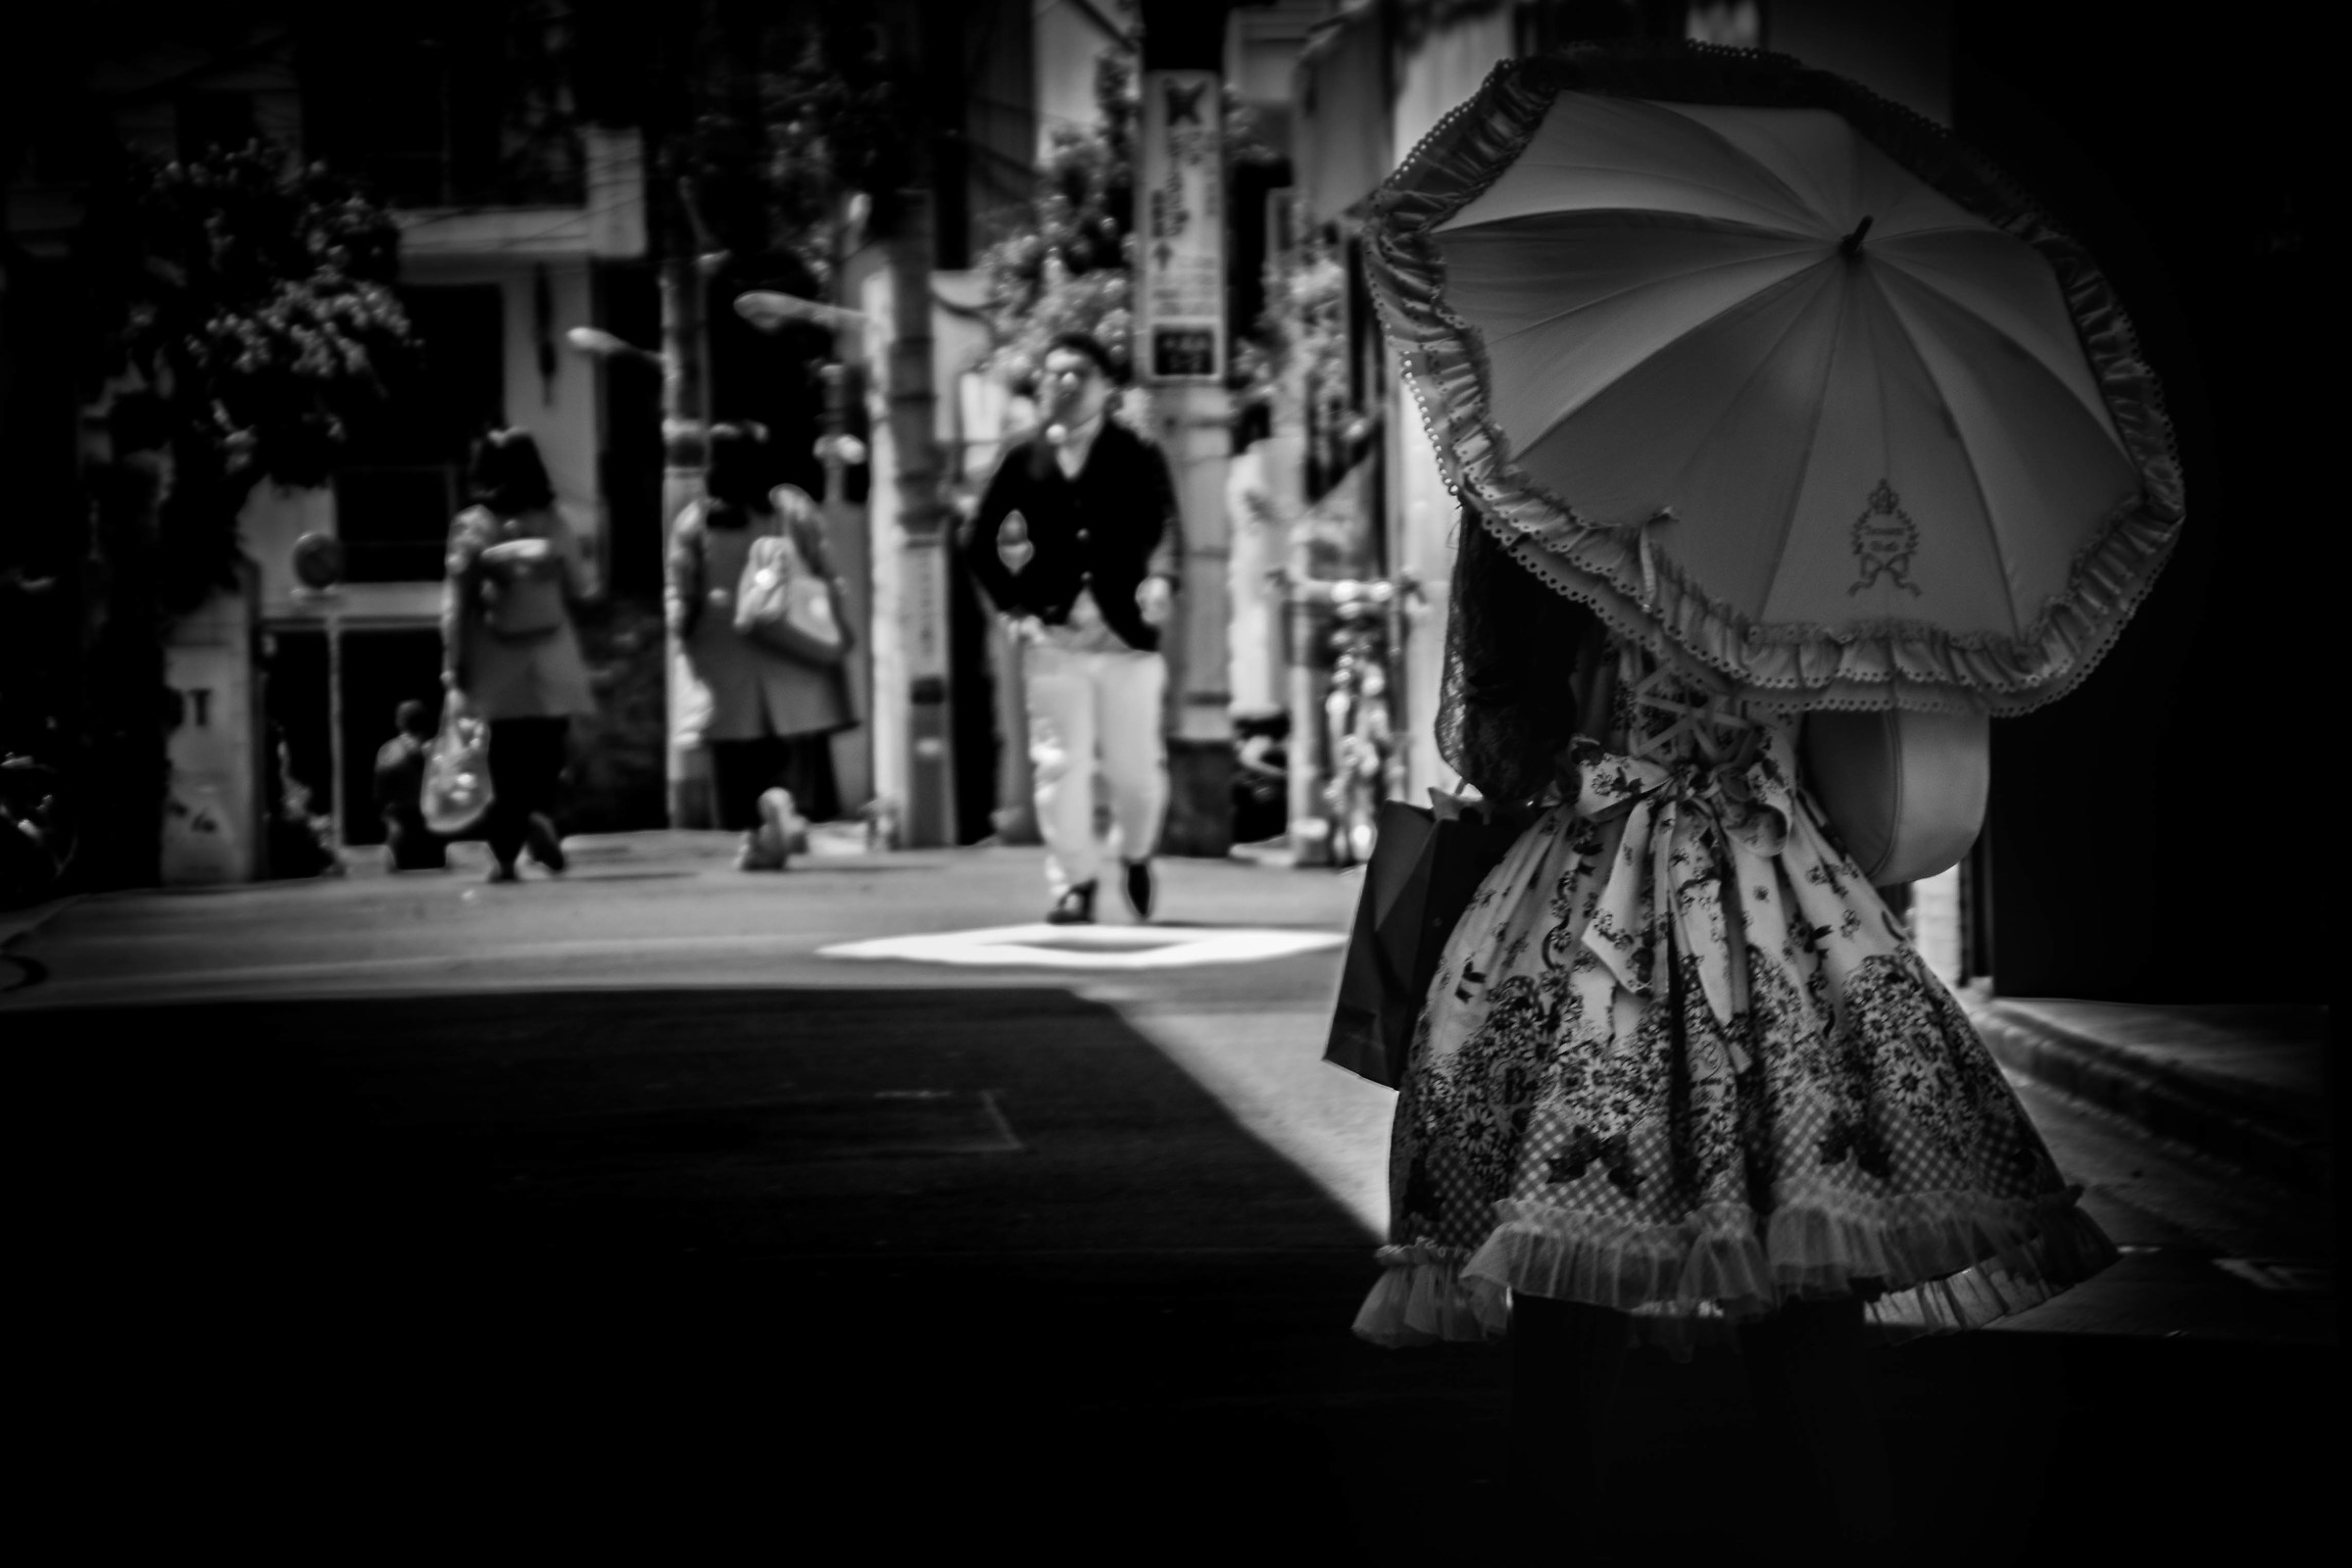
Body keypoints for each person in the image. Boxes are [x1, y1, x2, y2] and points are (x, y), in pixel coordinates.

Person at [1359, 516, 2119, 1553]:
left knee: (1563, 1253)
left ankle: (1550, 1546)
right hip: (1782, 898)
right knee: (1802, 1249)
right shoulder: (1815, 501)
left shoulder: (1547, 503)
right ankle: (1851, 1551)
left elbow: (1497, 750)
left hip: (1586, 906)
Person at [961, 332, 1183, 925]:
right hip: (1053, 638)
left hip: (1126, 639)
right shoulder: (1022, 455)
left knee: (1136, 773)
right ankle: (1074, 882)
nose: (1063, 382)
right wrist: (1013, 609)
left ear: (1105, 386)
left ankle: (1135, 853)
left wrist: (1160, 579)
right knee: (1061, 764)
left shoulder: (1136, 450)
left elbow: (1165, 525)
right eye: (1053, 373)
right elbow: (977, 539)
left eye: (1078, 373)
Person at [666, 422, 855, 871]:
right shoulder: (790, 507)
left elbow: (680, 591)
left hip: (724, 655)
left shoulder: (697, 520)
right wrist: (835, 622)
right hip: (792, 651)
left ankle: (755, 834)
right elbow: (827, 572)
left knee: (738, 758)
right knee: (789, 748)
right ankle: (783, 802)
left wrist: (685, 632)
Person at [440, 427, 596, 884]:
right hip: (553, 657)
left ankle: (507, 854)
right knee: (547, 753)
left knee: (502, 761)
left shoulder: (473, 525)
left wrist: (452, 663)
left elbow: (455, 603)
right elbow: (581, 585)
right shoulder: (554, 519)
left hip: (495, 661)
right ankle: (541, 815)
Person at [373, 699, 446, 870]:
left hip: (401, 826)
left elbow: (380, 794)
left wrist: (387, 816)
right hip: (432, 826)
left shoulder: (388, 751)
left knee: (403, 883)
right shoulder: (436, 749)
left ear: (399, 722)